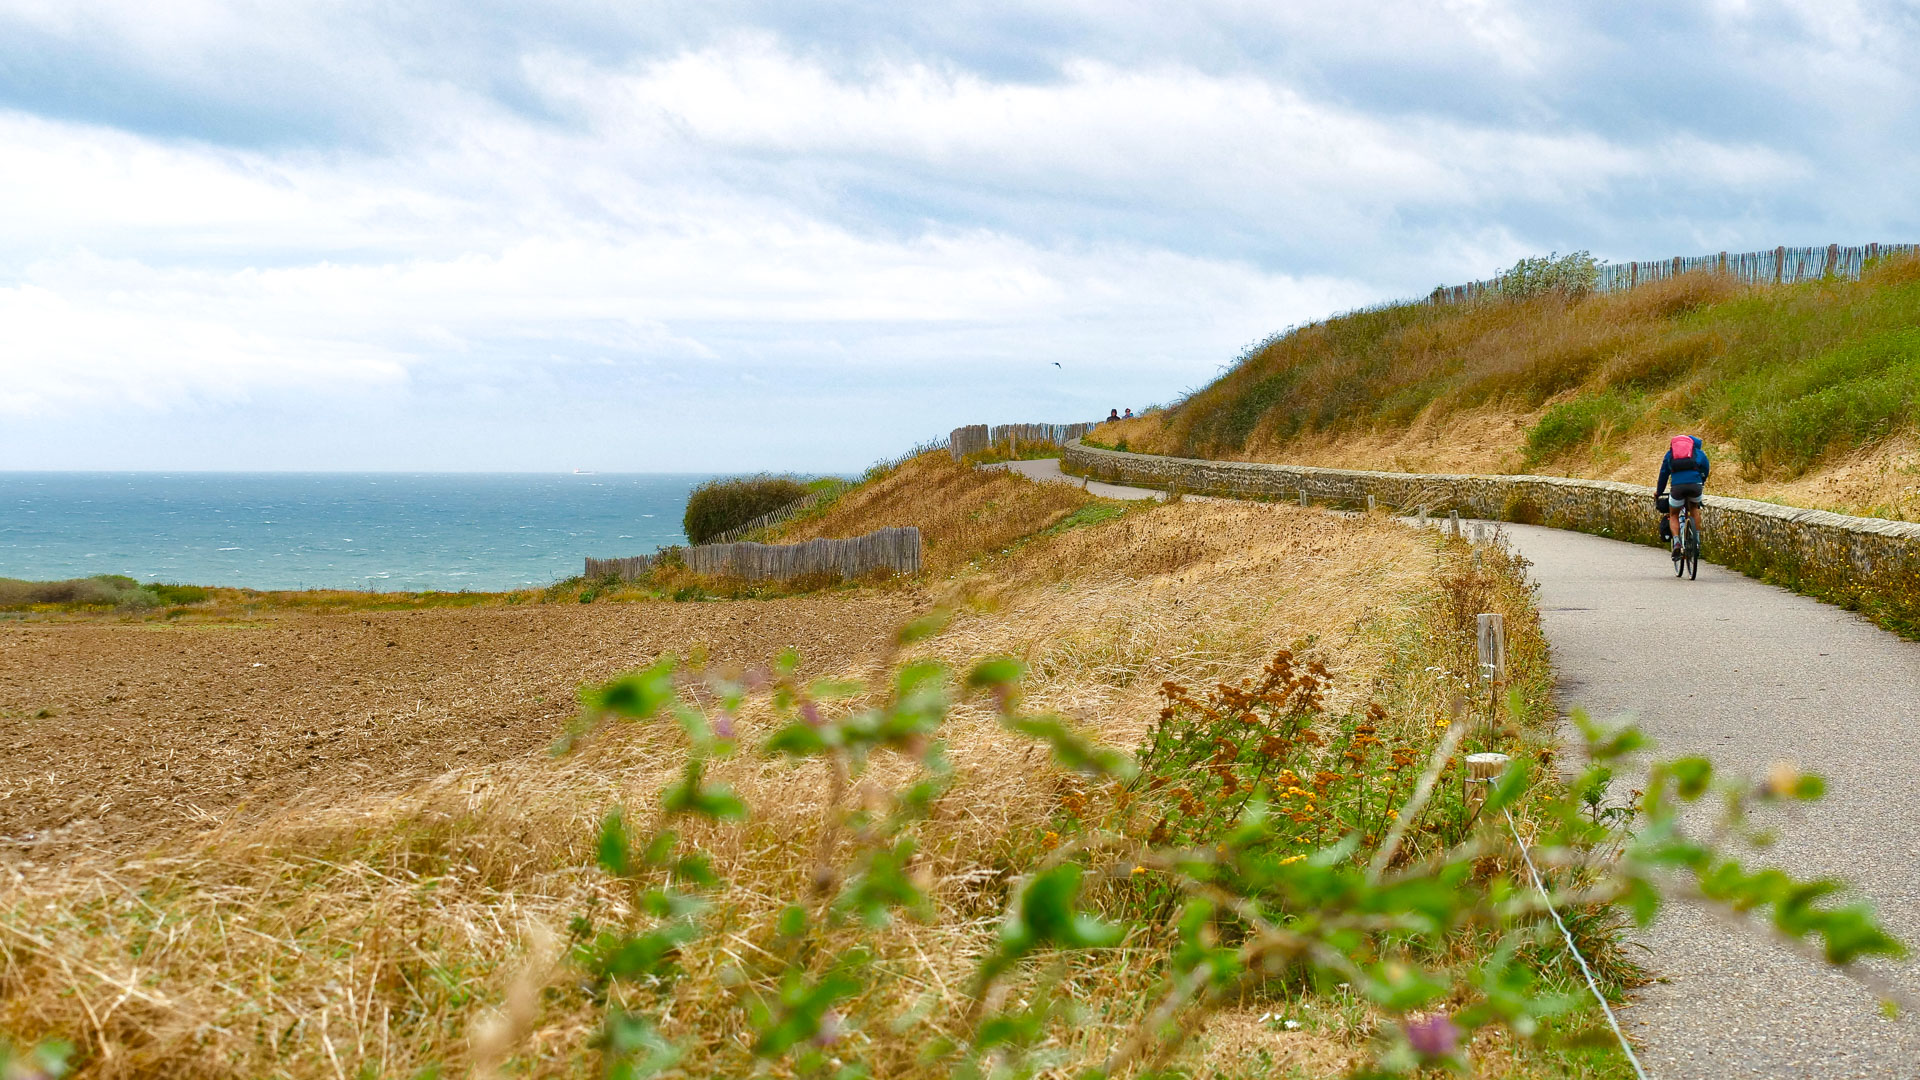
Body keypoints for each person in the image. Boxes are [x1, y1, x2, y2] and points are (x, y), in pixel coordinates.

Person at [1655, 434, 1710, 554]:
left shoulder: (1670, 455)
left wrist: (1659, 492)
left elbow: (1663, 475)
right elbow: (1706, 469)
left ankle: (1676, 543)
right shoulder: (1698, 453)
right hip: (1695, 486)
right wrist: (1701, 481)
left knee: (1673, 514)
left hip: (1677, 488)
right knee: (1694, 508)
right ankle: (1696, 540)